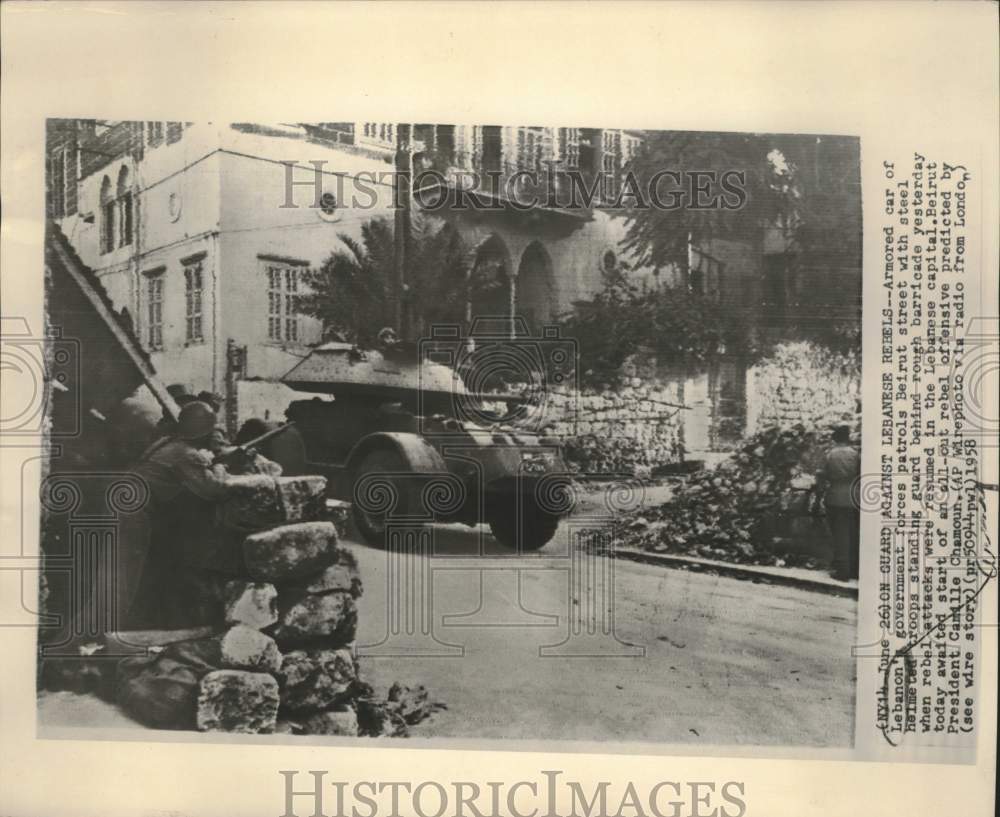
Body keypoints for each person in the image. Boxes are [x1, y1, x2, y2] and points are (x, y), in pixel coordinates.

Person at [124, 401, 237, 628]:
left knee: (144, 575)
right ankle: (145, 628)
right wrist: (220, 466)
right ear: (205, 432)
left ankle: (147, 623)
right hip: (137, 516)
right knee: (137, 578)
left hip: (129, 505)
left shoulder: (166, 443)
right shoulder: (185, 454)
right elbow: (215, 490)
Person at [815, 425, 861, 581]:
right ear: (848, 439)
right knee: (853, 532)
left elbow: (822, 475)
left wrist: (819, 495)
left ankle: (842, 571)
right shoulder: (856, 455)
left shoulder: (830, 455)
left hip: (835, 496)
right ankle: (855, 570)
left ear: (835, 439)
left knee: (839, 534)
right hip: (855, 497)